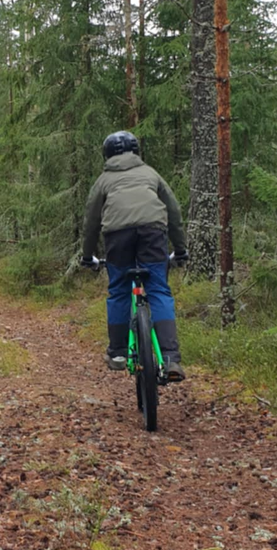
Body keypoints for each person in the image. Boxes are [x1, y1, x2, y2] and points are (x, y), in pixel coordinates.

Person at [80, 131, 188, 382]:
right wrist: (180, 248)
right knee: (158, 289)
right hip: (153, 231)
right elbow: (173, 211)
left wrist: (87, 255)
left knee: (119, 290)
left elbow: (91, 222)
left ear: (107, 155)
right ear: (137, 152)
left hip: (117, 236)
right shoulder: (151, 174)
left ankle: (118, 353)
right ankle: (170, 358)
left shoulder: (103, 180)